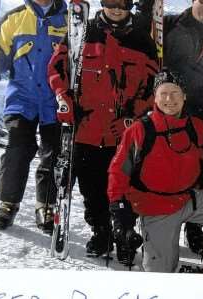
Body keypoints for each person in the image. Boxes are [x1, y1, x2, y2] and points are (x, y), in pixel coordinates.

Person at [107, 69, 203, 273]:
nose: (169, 99)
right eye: (163, 93)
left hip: (186, 198)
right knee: (160, 275)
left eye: (175, 93)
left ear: (184, 96)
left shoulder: (195, 128)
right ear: (154, 98)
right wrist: (119, 213)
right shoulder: (140, 130)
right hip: (154, 206)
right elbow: (118, 172)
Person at [48, 0, 157, 257]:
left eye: (123, 3)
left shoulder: (143, 41)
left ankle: (124, 235)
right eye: (111, 2)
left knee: (124, 186)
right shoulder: (82, 32)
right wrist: (64, 97)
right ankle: (101, 232)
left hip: (124, 131)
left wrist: (135, 113)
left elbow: (153, 87)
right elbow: (57, 66)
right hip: (87, 128)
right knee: (92, 187)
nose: (117, 8)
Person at [137, 0, 203, 254]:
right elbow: (143, 36)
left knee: (202, 169)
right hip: (168, 109)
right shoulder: (170, 24)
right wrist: (145, 8)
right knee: (160, 165)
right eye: (202, 0)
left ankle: (195, 227)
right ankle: (155, 222)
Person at [0, 0, 68, 232]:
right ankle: (8, 203)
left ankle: (46, 205)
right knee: (17, 147)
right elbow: (0, 58)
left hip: (55, 100)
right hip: (22, 99)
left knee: (54, 153)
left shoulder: (70, 21)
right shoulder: (14, 19)